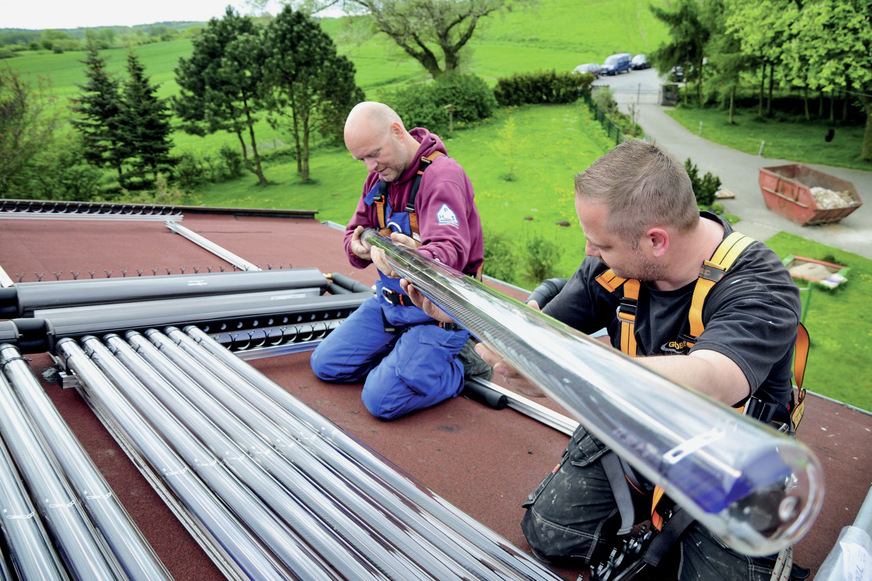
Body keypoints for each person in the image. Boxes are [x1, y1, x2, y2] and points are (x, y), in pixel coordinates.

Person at [405, 139, 803, 579]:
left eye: (602, 244)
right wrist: (460, 311)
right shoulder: (615, 267)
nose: (590, 252)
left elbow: (712, 379)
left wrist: (567, 371)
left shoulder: (759, 284)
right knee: (550, 534)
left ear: (655, 240)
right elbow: (537, 333)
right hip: (643, 422)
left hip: (735, 458)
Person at [310, 101, 485, 421]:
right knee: (326, 364)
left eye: (374, 154)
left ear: (396, 132)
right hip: (391, 305)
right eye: (361, 159)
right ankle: (406, 358)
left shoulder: (442, 177)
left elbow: (450, 250)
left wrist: (410, 258)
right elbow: (353, 232)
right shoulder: (379, 180)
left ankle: (461, 367)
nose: (369, 166)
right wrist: (361, 246)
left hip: (437, 315)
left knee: (382, 400)